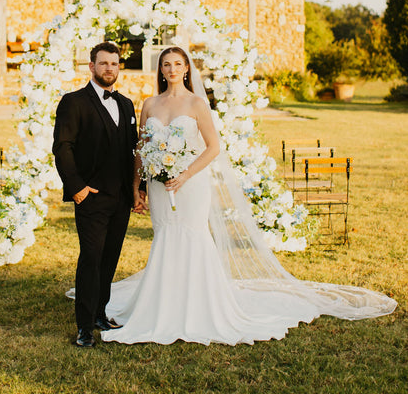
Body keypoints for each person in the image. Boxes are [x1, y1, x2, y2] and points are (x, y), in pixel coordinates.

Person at [101, 46, 397, 346]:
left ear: (187, 68)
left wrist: (185, 175)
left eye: (178, 63)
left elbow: (213, 147)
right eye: (166, 64)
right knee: (165, 236)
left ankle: (198, 307)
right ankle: (161, 305)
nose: (172, 69)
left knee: (192, 236)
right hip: (159, 187)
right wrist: (138, 185)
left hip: (189, 184)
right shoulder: (150, 104)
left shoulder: (197, 104)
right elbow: (142, 148)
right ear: (160, 70)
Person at [53, 41, 145, 348]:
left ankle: (100, 313)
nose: (109, 68)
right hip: (90, 197)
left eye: (114, 64)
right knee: (91, 258)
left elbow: (134, 149)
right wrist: (77, 188)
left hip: (120, 198)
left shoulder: (127, 104)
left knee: (109, 258)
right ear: (91, 66)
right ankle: (83, 326)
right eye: (103, 63)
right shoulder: (73, 102)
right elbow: (63, 147)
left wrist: (138, 188)